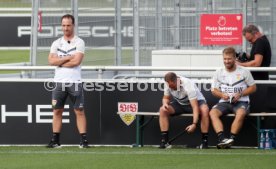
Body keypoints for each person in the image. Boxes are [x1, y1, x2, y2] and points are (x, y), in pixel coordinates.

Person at [47, 14, 89, 148]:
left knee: (79, 111)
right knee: (57, 111)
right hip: (59, 82)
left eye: (68, 25)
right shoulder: (56, 43)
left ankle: (84, 140)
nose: (66, 28)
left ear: (73, 25)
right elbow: (50, 61)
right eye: (63, 25)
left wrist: (59, 62)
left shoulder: (79, 42)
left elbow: (76, 62)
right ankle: (55, 140)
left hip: (74, 82)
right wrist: (68, 58)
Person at [210, 47, 257, 149]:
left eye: (229, 59)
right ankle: (222, 139)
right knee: (212, 113)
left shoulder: (244, 71)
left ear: (235, 58)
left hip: (241, 101)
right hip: (225, 102)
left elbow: (253, 88)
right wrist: (222, 95)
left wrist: (240, 94)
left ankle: (231, 139)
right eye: (225, 59)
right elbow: (213, 90)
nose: (227, 61)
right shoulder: (219, 72)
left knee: (241, 113)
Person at [159, 72, 210, 149]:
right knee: (162, 110)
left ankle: (204, 142)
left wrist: (194, 124)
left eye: (173, 86)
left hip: (196, 102)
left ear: (177, 81)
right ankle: (165, 142)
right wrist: (165, 104)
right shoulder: (168, 84)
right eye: (169, 86)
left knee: (205, 110)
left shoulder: (188, 84)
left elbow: (195, 107)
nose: (171, 88)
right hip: (180, 103)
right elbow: (165, 98)